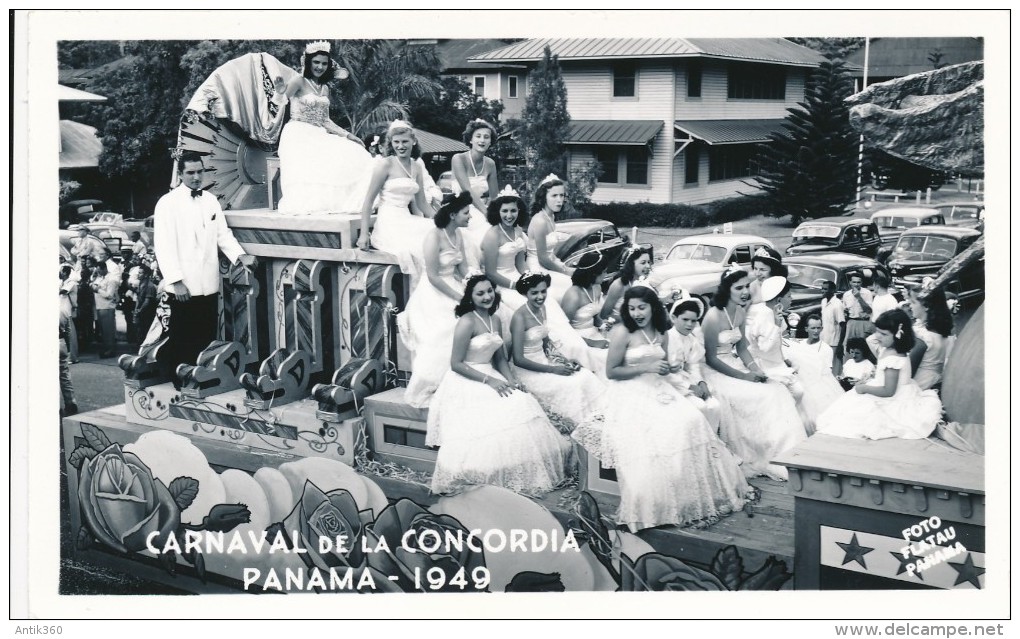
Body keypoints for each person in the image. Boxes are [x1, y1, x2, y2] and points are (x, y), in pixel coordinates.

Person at [589, 285, 751, 532]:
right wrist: (646, 369)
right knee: (658, 434)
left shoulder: (662, 333)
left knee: (691, 420)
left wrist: (671, 374)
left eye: (641, 307)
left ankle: (686, 495)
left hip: (659, 387)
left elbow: (663, 365)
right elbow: (612, 372)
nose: (637, 313)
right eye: (631, 308)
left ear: (653, 307)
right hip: (629, 391)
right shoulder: (623, 332)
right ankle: (654, 502)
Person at [426, 274, 572, 497]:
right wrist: (490, 380)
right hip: (468, 378)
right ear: (471, 296)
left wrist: (511, 380)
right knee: (491, 419)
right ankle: (484, 474)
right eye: (480, 293)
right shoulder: (466, 321)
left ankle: (518, 469)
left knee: (520, 400)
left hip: (491, 372)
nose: (486, 297)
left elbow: (501, 359)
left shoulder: (494, 319)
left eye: (489, 291)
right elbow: (455, 364)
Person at [153, 151, 256, 380]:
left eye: (200, 172)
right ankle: (178, 380)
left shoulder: (210, 200)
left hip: (208, 283)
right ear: (180, 174)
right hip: (182, 284)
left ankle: (199, 379)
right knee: (181, 335)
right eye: (190, 173)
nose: (196, 177)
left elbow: (223, 234)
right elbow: (163, 245)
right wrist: (176, 281)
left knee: (205, 333)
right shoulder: (167, 204)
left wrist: (240, 256)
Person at [701, 267, 806, 480]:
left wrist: (755, 370)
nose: (744, 292)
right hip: (715, 371)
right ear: (726, 289)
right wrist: (744, 377)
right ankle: (759, 453)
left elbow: (742, 349)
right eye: (738, 288)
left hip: (736, 365)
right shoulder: (713, 317)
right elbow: (710, 358)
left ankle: (786, 454)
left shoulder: (739, 312)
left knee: (776, 389)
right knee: (762, 396)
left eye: (746, 287)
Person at [272, 41, 372, 215]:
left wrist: (348, 136)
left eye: (324, 63)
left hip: (318, 132)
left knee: (355, 152)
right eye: (316, 62)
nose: (320, 66)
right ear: (309, 62)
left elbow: (325, 120)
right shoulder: (299, 81)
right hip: (297, 133)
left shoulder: (325, 88)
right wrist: (280, 92)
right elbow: (280, 104)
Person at [817, 309, 943, 440]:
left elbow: (889, 391)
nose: (877, 336)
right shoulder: (887, 349)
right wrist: (867, 382)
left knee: (858, 413)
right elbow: (882, 378)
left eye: (883, 334)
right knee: (845, 408)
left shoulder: (894, 358)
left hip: (894, 397)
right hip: (887, 389)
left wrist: (865, 388)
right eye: (877, 331)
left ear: (898, 335)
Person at [397, 192, 473, 408]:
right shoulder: (434, 236)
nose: (470, 217)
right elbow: (432, 276)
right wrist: (460, 298)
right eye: (466, 213)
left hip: (454, 285)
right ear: (452, 214)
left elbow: (463, 267)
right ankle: (433, 384)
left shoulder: (459, 235)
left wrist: (472, 285)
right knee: (448, 328)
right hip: (433, 292)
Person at [509, 271, 607, 434]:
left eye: (543, 291)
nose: (540, 296)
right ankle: (581, 428)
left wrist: (562, 360)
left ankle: (598, 421)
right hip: (528, 368)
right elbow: (518, 359)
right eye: (534, 293)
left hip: (545, 359)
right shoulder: (519, 317)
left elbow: (545, 339)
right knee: (571, 384)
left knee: (585, 375)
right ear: (525, 293)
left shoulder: (542, 309)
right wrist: (553, 369)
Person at [358, 120, 436, 284]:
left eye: (405, 141)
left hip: (406, 219)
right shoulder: (385, 165)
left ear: (413, 141)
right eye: (396, 142)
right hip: (389, 222)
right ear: (391, 143)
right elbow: (368, 202)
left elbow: (422, 204)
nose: (401, 146)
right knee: (416, 249)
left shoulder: (416, 167)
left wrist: (441, 220)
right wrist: (364, 234)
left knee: (437, 235)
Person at [665, 297, 727, 433]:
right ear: (674, 318)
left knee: (714, 405)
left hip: (686, 377)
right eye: (685, 319)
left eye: (693, 321)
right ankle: (699, 441)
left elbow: (693, 365)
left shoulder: (691, 339)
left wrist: (701, 383)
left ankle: (712, 441)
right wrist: (689, 386)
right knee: (699, 407)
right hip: (671, 382)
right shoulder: (667, 338)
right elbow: (665, 372)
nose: (689, 324)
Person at [451, 119, 500, 268]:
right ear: (470, 139)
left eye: (486, 137)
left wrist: (492, 210)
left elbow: (494, 196)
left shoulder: (490, 163)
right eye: (478, 136)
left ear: (491, 141)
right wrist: (486, 213)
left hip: (481, 209)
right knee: (485, 236)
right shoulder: (458, 159)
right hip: (460, 209)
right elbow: (467, 191)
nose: (482, 140)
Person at [526, 174, 574, 305]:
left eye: (562, 195)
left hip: (548, 263)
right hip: (538, 268)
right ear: (544, 197)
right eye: (554, 196)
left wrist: (562, 266)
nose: (559, 200)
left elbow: (550, 255)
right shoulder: (540, 221)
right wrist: (565, 271)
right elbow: (542, 258)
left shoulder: (550, 217)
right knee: (571, 285)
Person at [561, 251, 610, 376]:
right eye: (604, 271)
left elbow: (595, 316)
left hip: (595, 333)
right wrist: (592, 343)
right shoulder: (574, 295)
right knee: (607, 358)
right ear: (594, 273)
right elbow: (563, 331)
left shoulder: (597, 287)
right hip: (578, 340)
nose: (606, 274)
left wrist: (602, 324)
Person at [906, 283, 954, 390]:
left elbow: (908, 372)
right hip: (932, 381)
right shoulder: (942, 333)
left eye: (913, 302)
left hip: (918, 384)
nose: (910, 306)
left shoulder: (923, 337)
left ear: (926, 306)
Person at [600, 246, 654, 325]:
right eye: (643, 263)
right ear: (631, 264)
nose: (648, 266)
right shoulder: (619, 285)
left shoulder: (641, 282)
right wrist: (630, 319)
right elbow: (604, 315)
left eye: (649, 262)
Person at [90, 260, 120, 359]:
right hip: (100, 306)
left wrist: (97, 290)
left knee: (108, 331)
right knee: (103, 331)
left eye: (99, 271)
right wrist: (94, 277)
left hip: (107, 307)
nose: (98, 273)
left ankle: (110, 351)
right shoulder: (100, 277)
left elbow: (109, 295)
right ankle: (106, 349)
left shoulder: (111, 279)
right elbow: (93, 282)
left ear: (104, 268)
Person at [818, 280, 846, 376]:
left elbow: (843, 325)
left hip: (834, 343)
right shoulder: (823, 301)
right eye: (822, 289)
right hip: (824, 341)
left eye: (825, 289)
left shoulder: (837, 305)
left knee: (834, 371)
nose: (823, 291)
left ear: (833, 290)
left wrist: (840, 345)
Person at [842, 271, 874, 345]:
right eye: (854, 282)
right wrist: (845, 312)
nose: (856, 284)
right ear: (850, 282)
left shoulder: (867, 293)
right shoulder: (846, 294)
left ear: (861, 283)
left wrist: (859, 297)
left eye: (858, 282)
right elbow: (844, 311)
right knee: (848, 345)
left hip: (863, 322)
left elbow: (869, 311)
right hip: (851, 322)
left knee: (863, 345)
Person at [133, 264, 158, 346]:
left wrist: (139, 311)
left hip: (147, 313)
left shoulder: (149, 286)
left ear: (146, 274)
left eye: (140, 273)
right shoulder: (141, 283)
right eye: (138, 272)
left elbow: (147, 301)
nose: (138, 274)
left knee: (145, 331)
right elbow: (139, 298)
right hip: (141, 312)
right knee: (140, 331)